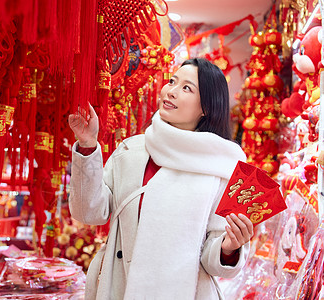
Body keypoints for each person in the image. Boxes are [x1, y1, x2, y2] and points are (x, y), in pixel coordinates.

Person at [68, 58, 254, 299]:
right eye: (172, 81)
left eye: (187, 88)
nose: (172, 91)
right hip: (120, 288)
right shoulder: (131, 151)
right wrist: (87, 145)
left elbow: (213, 262)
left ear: (206, 107)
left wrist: (228, 248)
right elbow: (89, 212)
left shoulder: (224, 167)